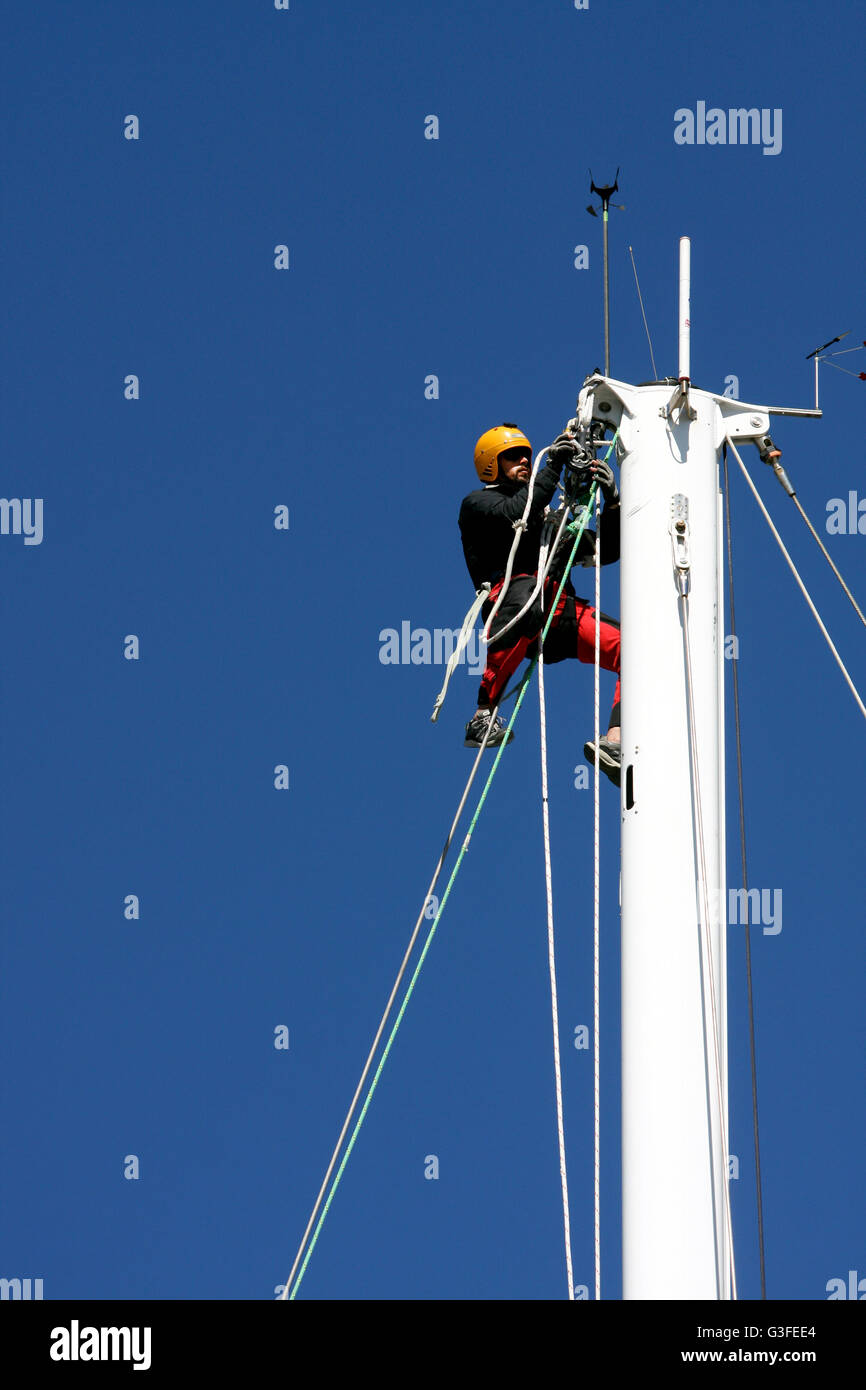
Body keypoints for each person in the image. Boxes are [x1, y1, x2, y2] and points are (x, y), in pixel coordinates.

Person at [458, 423, 622, 786]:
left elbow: (608, 551)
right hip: (517, 605)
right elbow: (521, 512)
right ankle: (484, 713)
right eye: (512, 457)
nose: (523, 461)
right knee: (530, 593)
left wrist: (612, 502)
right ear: (491, 465)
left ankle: (616, 740)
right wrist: (554, 466)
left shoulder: (549, 522)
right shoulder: (479, 505)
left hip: (560, 611)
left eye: (526, 456)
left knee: (634, 648)